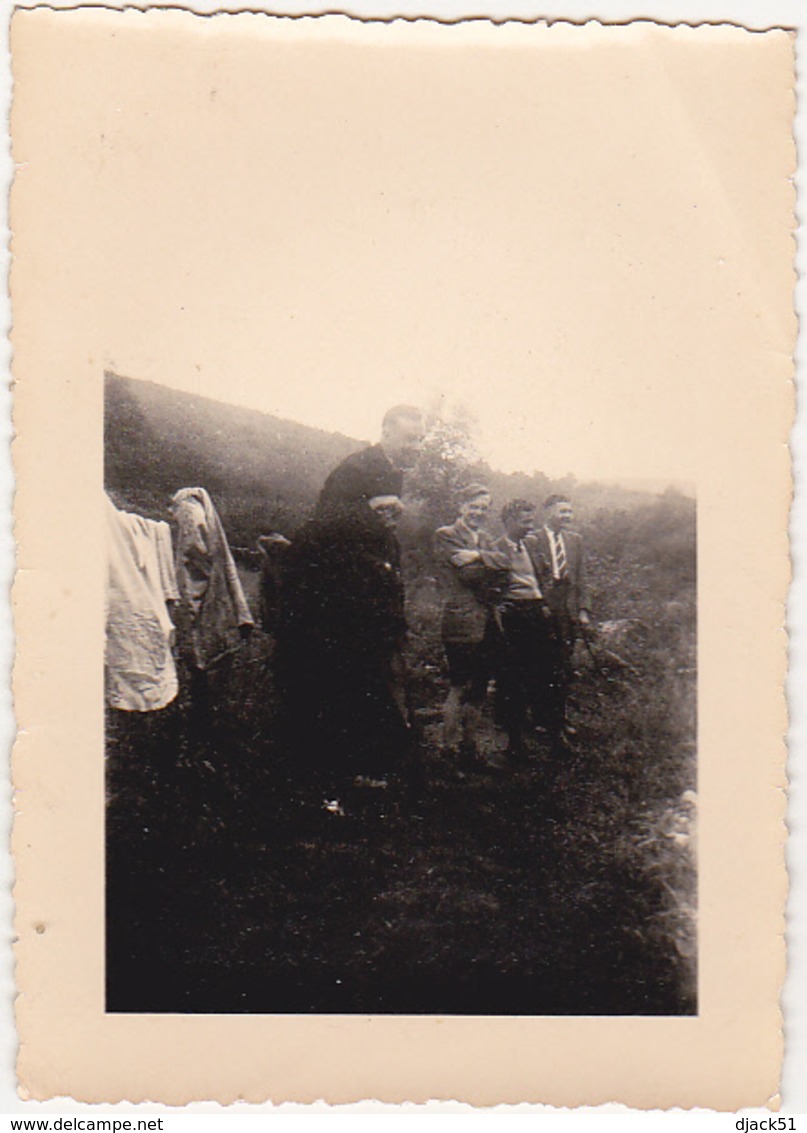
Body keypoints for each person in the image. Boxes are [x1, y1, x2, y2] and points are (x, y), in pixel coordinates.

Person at [275, 409, 423, 802]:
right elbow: (323, 523)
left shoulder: (393, 472)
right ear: (386, 431)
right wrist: (375, 516)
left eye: (419, 440)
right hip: (335, 600)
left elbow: (378, 531)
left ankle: (360, 769)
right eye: (409, 438)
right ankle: (323, 780)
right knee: (336, 684)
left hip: (370, 596)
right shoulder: (356, 468)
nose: (416, 447)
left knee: (366, 683)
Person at [434, 483, 510, 769]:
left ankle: (470, 748)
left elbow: (508, 564)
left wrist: (479, 555)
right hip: (462, 620)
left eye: (484, 508)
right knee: (459, 685)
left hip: (489, 621)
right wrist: (490, 566)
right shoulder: (447, 534)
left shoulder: (486, 538)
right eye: (474, 506)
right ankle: (448, 749)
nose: (478, 512)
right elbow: (469, 575)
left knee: (479, 687)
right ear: (461, 506)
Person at [169, 487, 254, 731]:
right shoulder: (196, 510)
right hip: (202, 589)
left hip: (197, 592)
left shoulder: (189, 510)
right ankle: (206, 716)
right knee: (206, 657)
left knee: (201, 657)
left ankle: (204, 721)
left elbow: (194, 554)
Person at [493, 498, 557, 763]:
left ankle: (552, 732)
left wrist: (543, 602)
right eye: (524, 521)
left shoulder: (532, 544)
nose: (530, 525)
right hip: (512, 615)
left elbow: (542, 576)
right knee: (511, 678)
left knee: (544, 672)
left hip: (536, 612)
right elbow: (491, 587)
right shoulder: (495, 547)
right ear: (509, 521)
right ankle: (515, 741)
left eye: (532, 520)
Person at [524, 493, 591, 747]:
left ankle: (559, 718)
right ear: (548, 511)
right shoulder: (533, 541)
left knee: (563, 666)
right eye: (563, 511)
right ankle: (541, 718)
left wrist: (584, 610)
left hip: (567, 611)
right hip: (542, 610)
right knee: (541, 665)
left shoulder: (575, 540)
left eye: (569, 512)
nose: (568, 516)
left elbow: (582, 577)